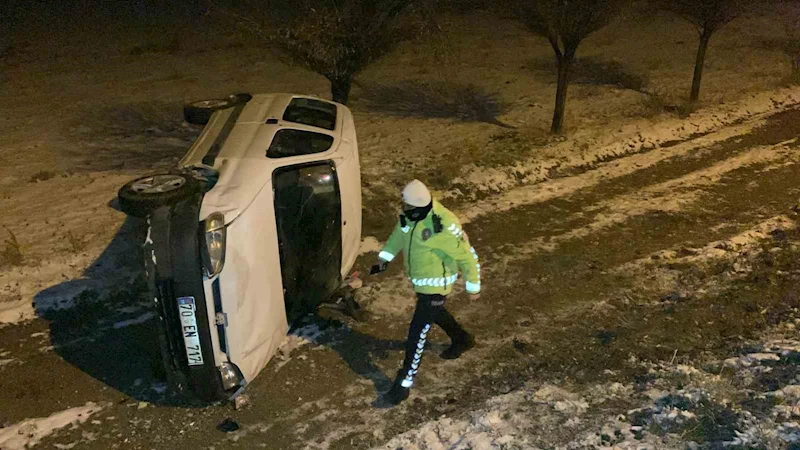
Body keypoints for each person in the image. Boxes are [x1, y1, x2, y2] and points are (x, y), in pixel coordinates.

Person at [371, 179, 482, 406]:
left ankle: (402, 385)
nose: (404, 211)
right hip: (422, 285)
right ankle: (462, 338)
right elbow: (397, 237)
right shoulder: (409, 219)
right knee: (436, 313)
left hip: (437, 287)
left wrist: (473, 286)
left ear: (420, 207)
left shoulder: (442, 225)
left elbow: (466, 255)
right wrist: (384, 259)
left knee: (417, 335)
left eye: (408, 208)